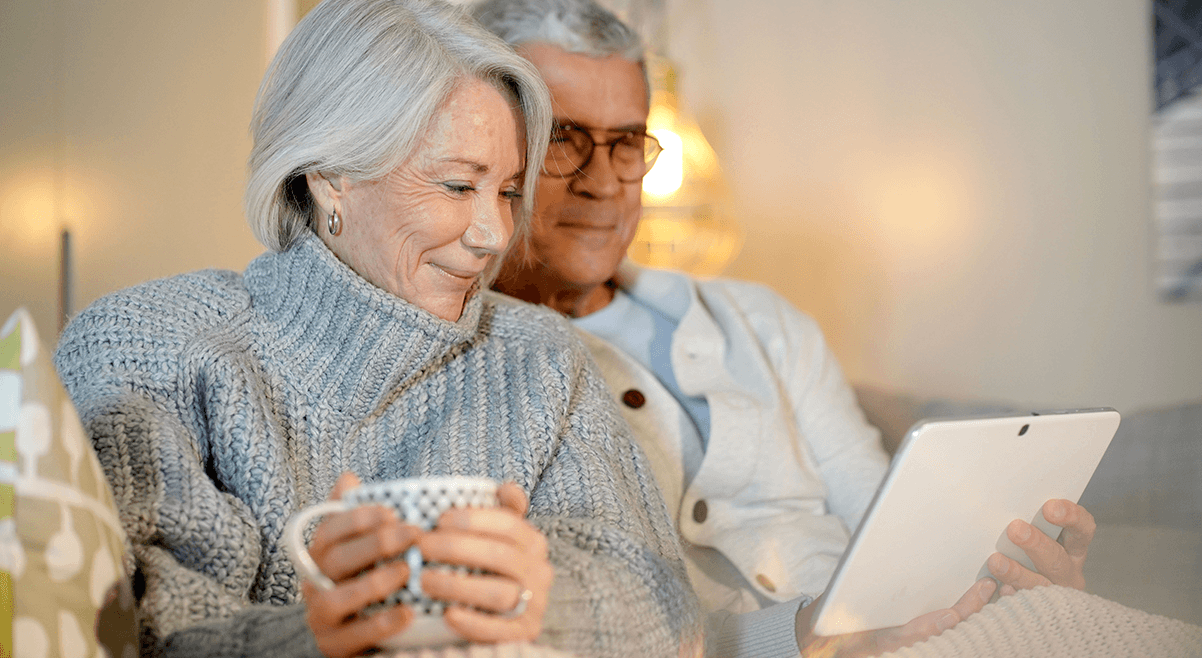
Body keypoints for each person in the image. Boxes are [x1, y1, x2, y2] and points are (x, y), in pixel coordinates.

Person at [52, 1, 701, 657]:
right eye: (457, 186)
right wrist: (315, 639)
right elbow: (120, 625)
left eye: (507, 192)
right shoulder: (145, 346)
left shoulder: (542, 358)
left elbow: (667, 612)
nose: (494, 235)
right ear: (330, 176)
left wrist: (542, 599)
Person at [474, 0, 1098, 655]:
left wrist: (1006, 579)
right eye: (564, 138)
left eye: (627, 142)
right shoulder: (476, 369)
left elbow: (881, 518)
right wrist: (810, 637)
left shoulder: (763, 322)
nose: (603, 184)